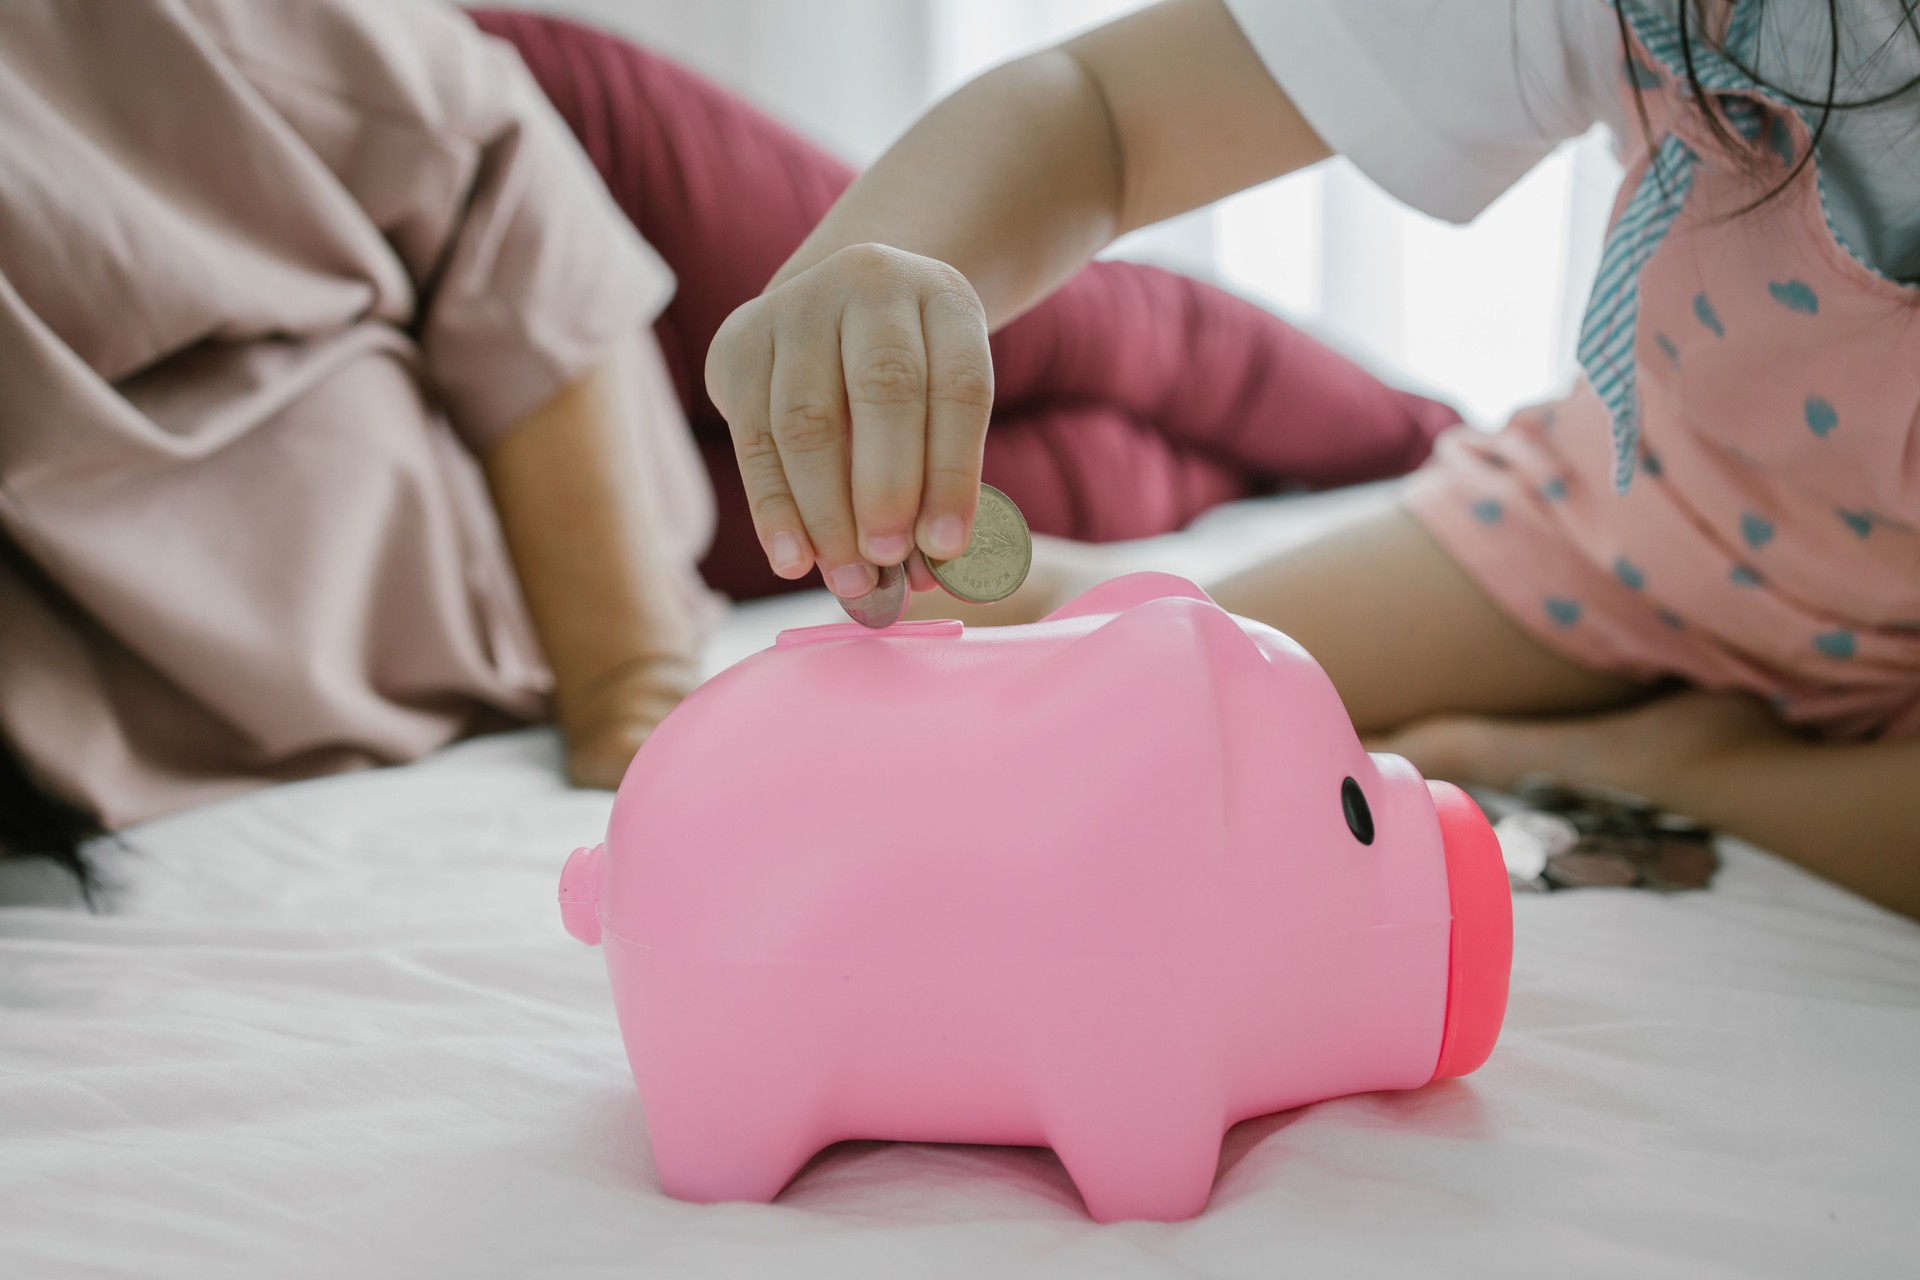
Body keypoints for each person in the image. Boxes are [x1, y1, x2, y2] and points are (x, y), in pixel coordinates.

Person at [0, 0, 1453, 892]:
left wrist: (635, 691)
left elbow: (468, 152)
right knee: (1069, 489)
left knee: (1043, 331)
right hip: (497, 556)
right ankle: (1480, 503)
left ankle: (1450, 444)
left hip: (518, 200)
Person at [704, 0, 1920, 919]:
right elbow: (1106, 108)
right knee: (1131, 638)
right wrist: (867, 267)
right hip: (1626, 517)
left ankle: (1657, 763)